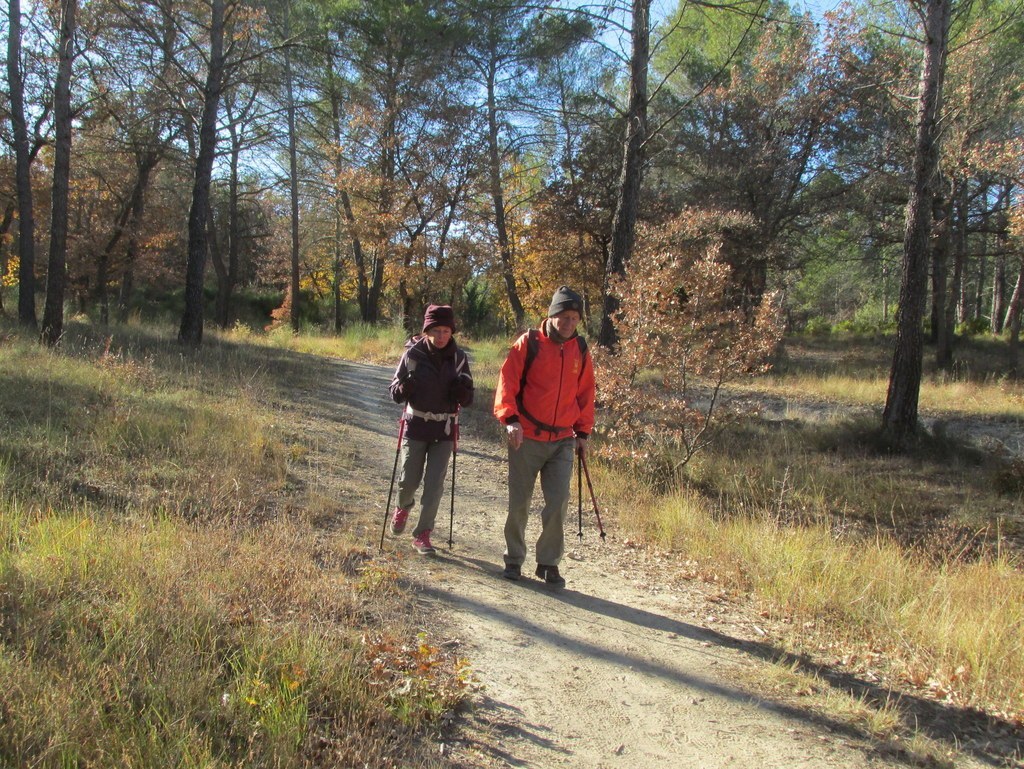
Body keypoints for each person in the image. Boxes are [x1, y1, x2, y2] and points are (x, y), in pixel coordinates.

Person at [493, 286, 596, 587]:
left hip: (563, 438)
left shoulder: (581, 348)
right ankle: (513, 559)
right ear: (552, 315)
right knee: (520, 501)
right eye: (564, 316)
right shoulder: (529, 343)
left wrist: (583, 432)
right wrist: (510, 419)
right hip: (526, 436)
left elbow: (586, 393)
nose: (568, 323)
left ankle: (549, 563)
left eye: (575, 317)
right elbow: (507, 382)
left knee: (558, 501)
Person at [388, 304, 473, 555]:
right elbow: (393, 392)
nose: (441, 336)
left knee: (434, 485)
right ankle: (403, 507)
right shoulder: (412, 356)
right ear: (426, 331)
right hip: (416, 426)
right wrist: (404, 389)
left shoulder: (459, 359)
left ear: (452, 331)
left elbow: (469, 398)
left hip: (444, 428)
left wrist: (462, 392)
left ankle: (423, 534)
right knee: (408, 481)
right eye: (436, 330)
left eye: (446, 331)